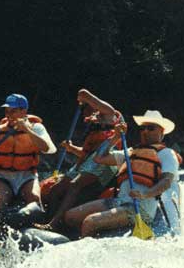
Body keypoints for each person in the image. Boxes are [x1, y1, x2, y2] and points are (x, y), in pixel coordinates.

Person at [64, 110, 182, 238]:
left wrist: (144, 194)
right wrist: (115, 137)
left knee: (89, 222)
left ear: (161, 132)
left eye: (150, 128)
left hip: (141, 208)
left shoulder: (167, 154)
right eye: (142, 128)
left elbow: (166, 181)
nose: (145, 131)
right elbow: (99, 158)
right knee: (70, 216)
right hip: (119, 201)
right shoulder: (131, 152)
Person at [37, 89, 125, 232]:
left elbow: (84, 93)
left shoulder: (109, 113)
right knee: (55, 189)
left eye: (85, 108)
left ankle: (54, 223)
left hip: (106, 158)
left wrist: (84, 97)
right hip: (90, 160)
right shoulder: (95, 121)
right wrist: (71, 148)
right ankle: (47, 219)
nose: (84, 113)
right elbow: (86, 154)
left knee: (75, 184)